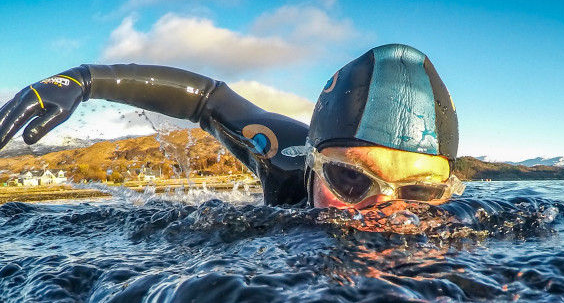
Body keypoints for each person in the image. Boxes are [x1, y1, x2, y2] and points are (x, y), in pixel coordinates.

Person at [0, 43, 464, 208]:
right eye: (351, 180)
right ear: (312, 165)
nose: (382, 216)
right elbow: (209, 100)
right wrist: (85, 78)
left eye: (420, 193)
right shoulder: (285, 161)